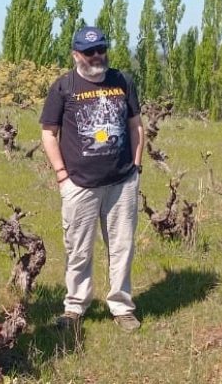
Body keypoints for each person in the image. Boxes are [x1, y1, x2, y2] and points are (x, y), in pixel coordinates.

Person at [40, 26, 144, 333]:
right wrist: (62, 174)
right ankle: (75, 306)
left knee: (122, 246)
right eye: (89, 51)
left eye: (101, 49)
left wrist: (136, 167)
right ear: (76, 55)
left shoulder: (122, 81)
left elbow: (136, 125)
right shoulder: (64, 87)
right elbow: (48, 133)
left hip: (122, 182)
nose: (97, 56)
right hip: (80, 185)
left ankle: (122, 306)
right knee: (78, 248)